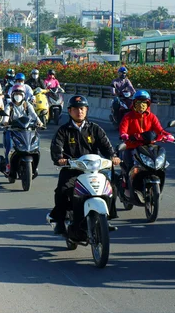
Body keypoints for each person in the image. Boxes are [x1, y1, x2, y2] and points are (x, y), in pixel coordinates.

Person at [49, 95, 121, 236]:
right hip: (72, 169)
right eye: (75, 109)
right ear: (69, 111)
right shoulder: (63, 131)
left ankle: (106, 218)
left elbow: (106, 146)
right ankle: (59, 220)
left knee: (112, 187)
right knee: (62, 190)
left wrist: (113, 157)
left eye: (82, 109)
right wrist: (60, 159)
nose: (79, 112)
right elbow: (56, 149)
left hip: (94, 169)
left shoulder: (94, 129)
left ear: (86, 110)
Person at [119, 90, 174, 195]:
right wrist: (125, 135)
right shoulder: (128, 116)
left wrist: (167, 135)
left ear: (148, 104)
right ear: (134, 103)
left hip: (149, 146)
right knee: (130, 165)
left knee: (160, 163)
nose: (141, 105)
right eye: (139, 103)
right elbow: (123, 130)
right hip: (132, 146)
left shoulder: (152, 117)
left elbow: (160, 130)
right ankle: (126, 185)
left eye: (144, 103)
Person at [0, 85, 44, 174]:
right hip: (12, 130)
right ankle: (8, 165)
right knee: (9, 147)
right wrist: (5, 122)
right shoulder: (9, 106)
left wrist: (39, 122)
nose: (18, 96)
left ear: (24, 95)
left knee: (35, 144)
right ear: (12, 95)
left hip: (27, 130)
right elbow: (6, 116)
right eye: (16, 93)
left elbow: (34, 114)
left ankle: (35, 165)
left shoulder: (27, 105)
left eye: (20, 94)